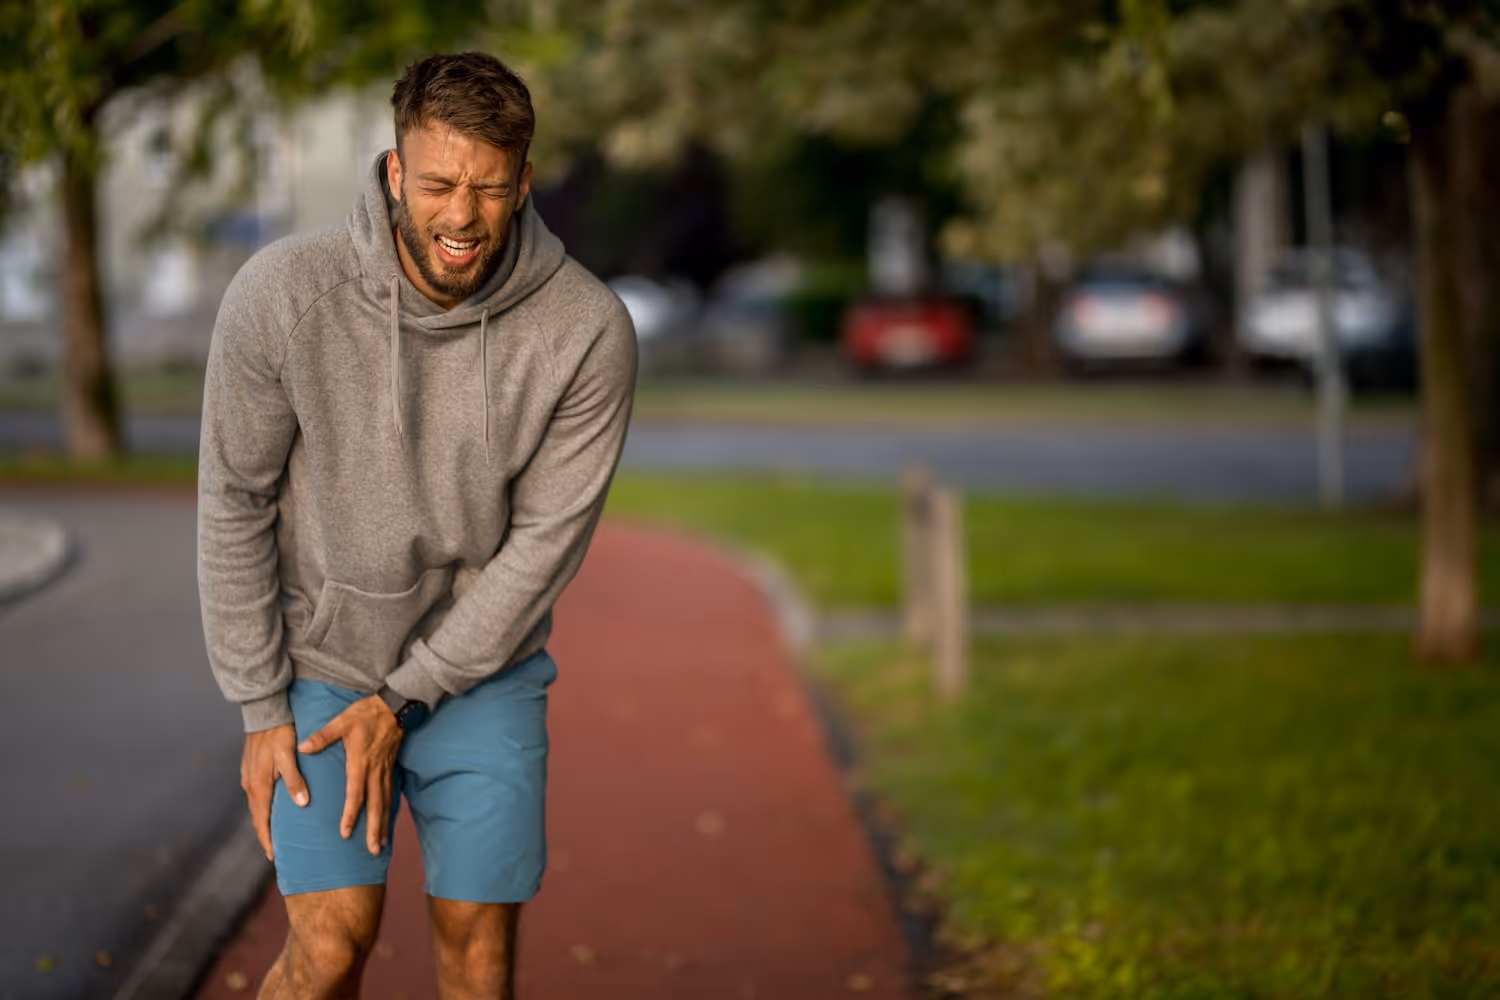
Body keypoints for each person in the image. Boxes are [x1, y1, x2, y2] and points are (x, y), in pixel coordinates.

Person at [196, 50, 637, 998]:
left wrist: (408, 700)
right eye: (437, 183)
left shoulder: (587, 331)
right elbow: (235, 497)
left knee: (477, 956)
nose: (461, 215)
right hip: (325, 661)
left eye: (487, 188)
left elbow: (541, 554)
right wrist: (259, 705)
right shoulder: (282, 297)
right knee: (328, 949)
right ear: (395, 171)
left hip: (483, 669)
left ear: (523, 183)